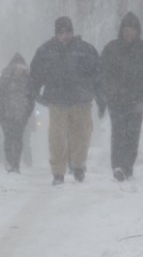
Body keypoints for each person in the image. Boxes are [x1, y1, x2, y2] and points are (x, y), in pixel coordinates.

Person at [30, 16, 105, 185]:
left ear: (73, 32)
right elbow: (36, 74)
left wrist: (101, 98)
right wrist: (34, 92)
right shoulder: (46, 51)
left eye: (68, 32)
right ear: (56, 33)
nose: (65, 36)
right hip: (57, 101)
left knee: (82, 135)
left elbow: (98, 75)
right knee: (57, 138)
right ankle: (58, 172)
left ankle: (78, 166)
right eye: (62, 32)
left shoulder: (85, 50)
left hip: (82, 100)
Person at [100, 11, 143, 181]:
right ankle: (118, 166)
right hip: (116, 100)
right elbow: (102, 71)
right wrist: (110, 89)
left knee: (132, 135)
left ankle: (128, 166)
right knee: (119, 132)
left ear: (138, 31)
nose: (129, 33)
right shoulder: (111, 48)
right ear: (121, 30)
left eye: (133, 30)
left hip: (136, 99)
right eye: (126, 30)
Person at [0, 53, 35, 173]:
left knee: (18, 139)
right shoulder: (4, 80)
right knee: (8, 138)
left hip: (21, 115)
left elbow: (31, 98)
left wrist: (28, 112)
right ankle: (10, 162)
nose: (19, 71)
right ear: (12, 67)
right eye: (17, 68)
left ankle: (16, 163)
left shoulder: (28, 80)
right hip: (6, 114)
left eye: (22, 68)